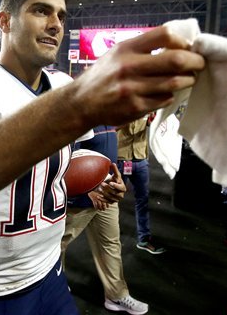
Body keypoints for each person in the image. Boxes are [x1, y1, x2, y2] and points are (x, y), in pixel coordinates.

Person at [0, 0, 204, 314]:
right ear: (5, 21)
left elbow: (54, 171)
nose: (56, 24)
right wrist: (78, 104)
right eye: (41, 11)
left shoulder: (60, 83)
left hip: (52, 274)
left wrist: (94, 185)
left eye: (61, 15)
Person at [61, 125, 149, 315]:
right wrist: (87, 188)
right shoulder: (81, 113)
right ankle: (56, 288)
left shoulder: (108, 116)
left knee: (110, 244)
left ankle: (116, 295)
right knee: (57, 245)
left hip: (106, 192)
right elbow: (65, 157)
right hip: (81, 196)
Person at [116, 113, 166, 255]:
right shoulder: (119, 105)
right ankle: (109, 238)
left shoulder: (147, 106)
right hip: (121, 159)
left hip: (140, 159)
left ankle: (144, 239)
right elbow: (108, 128)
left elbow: (153, 124)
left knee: (142, 200)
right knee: (113, 200)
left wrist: (153, 121)